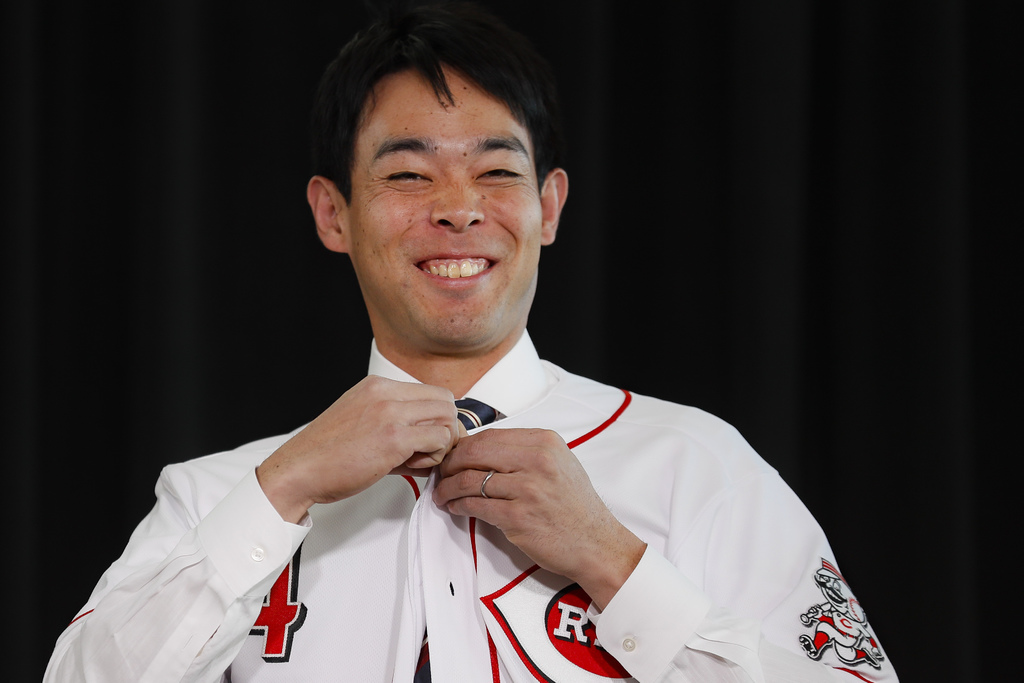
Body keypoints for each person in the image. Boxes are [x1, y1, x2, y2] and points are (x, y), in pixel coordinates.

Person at [44, 3, 898, 682]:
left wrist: (615, 561)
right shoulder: (222, 496)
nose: (459, 207)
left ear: (550, 206)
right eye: (408, 174)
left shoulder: (698, 467)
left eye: (497, 171)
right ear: (332, 212)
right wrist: (288, 485)